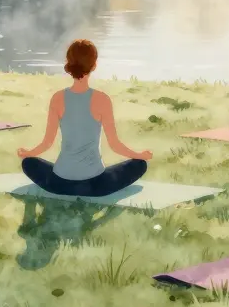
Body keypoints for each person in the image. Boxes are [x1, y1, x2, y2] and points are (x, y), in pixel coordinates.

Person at [18, 39, 152, 197]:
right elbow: (115, 145)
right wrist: (140, 155)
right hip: (94, 185)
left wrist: (28, 153)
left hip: (59, 183)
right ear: (94, 65)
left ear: (69, 64)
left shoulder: (57, 98)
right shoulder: (102, 100)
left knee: (28, 163)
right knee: (140, 165)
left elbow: (47, 143)